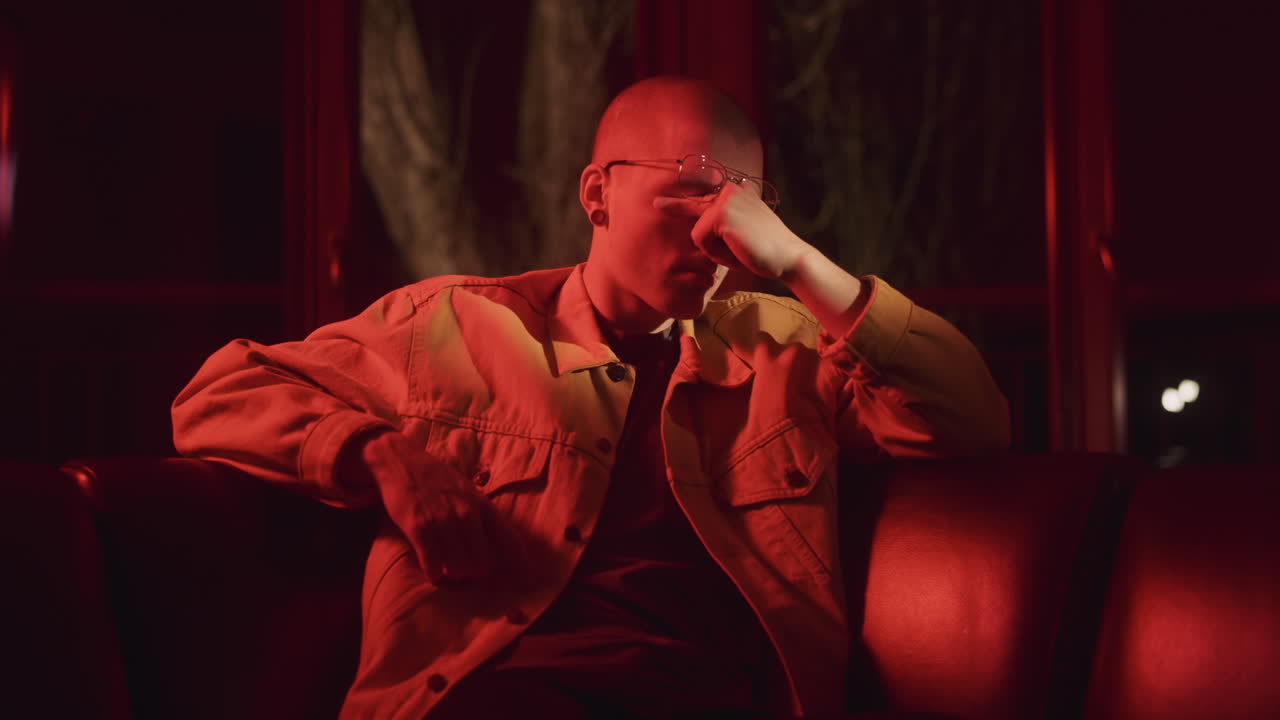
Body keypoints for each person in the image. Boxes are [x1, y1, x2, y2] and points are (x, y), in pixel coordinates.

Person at [172, 75, 1010, 719]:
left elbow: (970, 418)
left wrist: (798, 263)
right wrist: (379, 453)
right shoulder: (458, 326)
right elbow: (215, 397)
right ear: (597, 192)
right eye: (691, 183)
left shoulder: (783, 349)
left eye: (745, 201)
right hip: (496, 698)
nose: (718, 226)